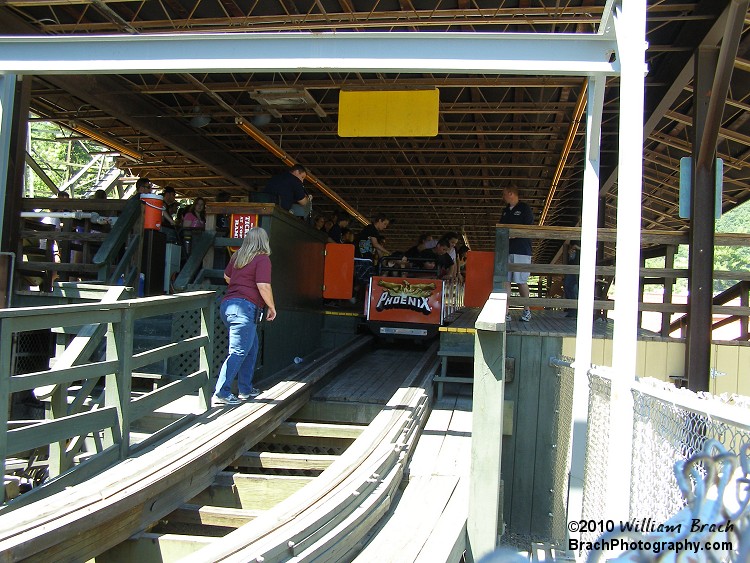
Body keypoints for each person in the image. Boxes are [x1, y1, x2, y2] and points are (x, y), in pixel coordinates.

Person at [213, 227, 277, 405]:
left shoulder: (238, 257)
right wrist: (271, 307)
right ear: (264, 241)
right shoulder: (262, 259)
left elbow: (227, 277)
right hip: (245, 308)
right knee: (239, 351)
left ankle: (245, 389)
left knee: (251, 347)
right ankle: (222, 392)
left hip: (228, 306)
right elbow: (263, 285)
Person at [500, 186, 534, 322]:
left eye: (504, 194)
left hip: (522, 250)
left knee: (521, 281)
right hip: (507, 250)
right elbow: (501, 228)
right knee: (506, 281)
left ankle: (527, 310)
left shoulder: (525, 208)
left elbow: (529, 227)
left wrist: (513, 235)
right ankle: (506, 312)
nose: (503, 197)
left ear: (511, 193)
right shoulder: (505, 211)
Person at [563, 240, 580, 318]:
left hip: (581, 266)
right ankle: (572, 308)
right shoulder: (574, 237)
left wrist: (578, 248)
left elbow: (594, 249)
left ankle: (575, 309)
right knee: (567, 286)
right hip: (572, 266)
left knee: (574, 288)